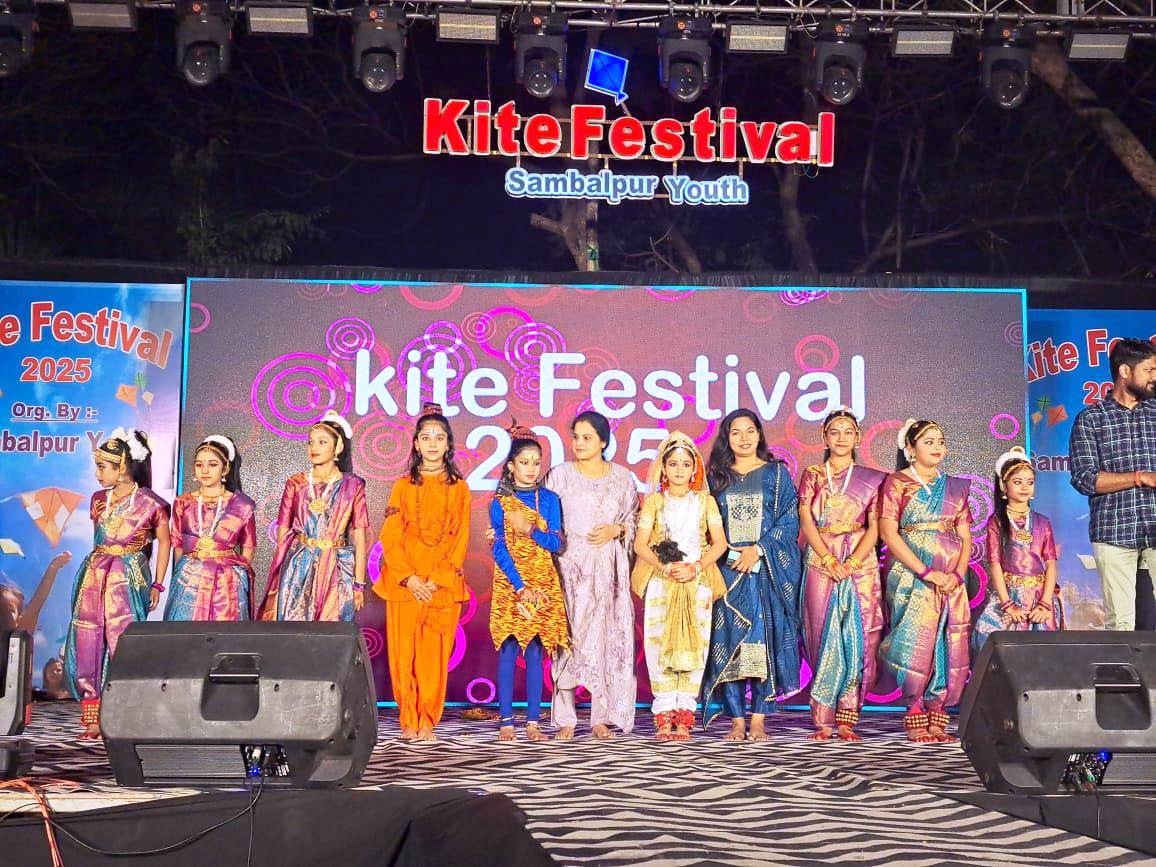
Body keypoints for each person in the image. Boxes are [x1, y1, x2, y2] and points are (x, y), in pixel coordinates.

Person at [700, 409, 803, 742]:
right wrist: (725, 553)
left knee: (761, 643)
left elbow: (789, 520)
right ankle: (736, 720)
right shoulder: (714, 478)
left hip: (765, 572)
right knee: (727, 642)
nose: (743, 438)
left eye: (749, 431)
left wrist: (757, 549)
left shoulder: (776, 474)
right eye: (735, 432)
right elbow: (703, 525)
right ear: (726, 438)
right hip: (726, 572)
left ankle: (758, 719)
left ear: (759, 434)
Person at [64, 428, 171, 738]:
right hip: (96, 573)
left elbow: (165, 543)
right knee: (87, 638)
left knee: (121, 639)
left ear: (122, 467)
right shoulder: (99, 499)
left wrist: (157, 584)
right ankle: (92, 715)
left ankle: (123, 713)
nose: (98, 474)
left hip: (128, 576)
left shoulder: (151, 503)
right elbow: (99, 539)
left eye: (103, 467)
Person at [376, 403, 471, 743]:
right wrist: (409, 577)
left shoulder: (459, 488)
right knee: (403, 654)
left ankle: (428, 719)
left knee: (433, 657)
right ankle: (408, 719)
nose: (432, 443)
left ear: (448, 445)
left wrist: (436, 580)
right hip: (405, 583)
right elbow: (390, 535)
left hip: (440, 584)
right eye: (426, 437)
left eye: (439, 437)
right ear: (416, 444)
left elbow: (460, 537)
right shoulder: (403, 485)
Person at [546, 411, 639, 740]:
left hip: (608, 575)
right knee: (567, 642)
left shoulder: (623, 478)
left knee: (606, 640)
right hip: (569, 571)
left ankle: (602, 717)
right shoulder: (559, 476)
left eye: (587, 438)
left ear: (603, 441)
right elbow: (545, 520)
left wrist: (618, 529)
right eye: (576, 437)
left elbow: (637, 521)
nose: (579, 443)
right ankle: (566, 718)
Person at [878, 419, 972, 744]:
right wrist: (925, 572)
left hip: (951, 579)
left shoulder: (955, 487)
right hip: (911, 575)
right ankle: (915, 707)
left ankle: (938, 710)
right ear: (910, 448)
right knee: (914, 640)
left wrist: (957, 575)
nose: (936, 447)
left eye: (940, 441)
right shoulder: (897, 483)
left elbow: (965, 536)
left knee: (946, 640)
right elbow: (889, 533)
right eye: (928, 441)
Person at [797, 408, 887, 742]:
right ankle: (822, 717)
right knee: (821, 631)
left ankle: (848, 715)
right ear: (824, 437)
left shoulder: (872, 479)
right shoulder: (813, 474)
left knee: (857, 635)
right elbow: (806, 519)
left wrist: (851, 563)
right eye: (834, 432)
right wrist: (827, 558)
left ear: (858, 438)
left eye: (848, 431)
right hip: (821, 556)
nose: (841, 438)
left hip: (858, 559)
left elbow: (875, 526)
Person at [631, 431, 727, 741]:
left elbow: (720, 543)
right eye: (673, 464)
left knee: (694, 647)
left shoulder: (706, 502)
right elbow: (640, 544)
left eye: (686, 464)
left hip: (697, 582)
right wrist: (665, 566)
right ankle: (663, 718)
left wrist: (696, 567)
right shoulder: (655, 502)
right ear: (663, 468)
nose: (679, 470)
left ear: (694, 468)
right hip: (663, 581)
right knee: (659, 647)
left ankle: (684, 718)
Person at [1069, 337, 1156, 631]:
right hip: (1114, 532)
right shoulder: (1091, 419)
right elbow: (1085, 478)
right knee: (1121, 623)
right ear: (1125, 372)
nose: (1154, 377)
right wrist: (1139, 477)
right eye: (1149, 370)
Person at [489, 422, 568, 743]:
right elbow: (499, 548)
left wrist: (530, 530)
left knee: (536, 649)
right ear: (511, 466)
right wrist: (519, 584)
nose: (531, 469)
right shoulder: (499, 503)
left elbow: (556, 543)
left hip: (542, 582)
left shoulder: (549, 499)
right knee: (509, 647)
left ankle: (533, 722)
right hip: (512, 583)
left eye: (536, 462)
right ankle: (506, 721)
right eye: (524, 462)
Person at [261, 410, 369, 621]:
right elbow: (283, 531)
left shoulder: (353, 485)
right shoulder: (296, 483)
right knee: (294, 627)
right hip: (299, 566)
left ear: (338, 447)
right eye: (310, 442)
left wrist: (359, 583)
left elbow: (359, 535)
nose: (314, 448)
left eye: (322, 442)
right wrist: (282, 572)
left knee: (332, 628)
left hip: (337, 567)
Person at [973, 447, 1063, 651]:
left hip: (1040, 597)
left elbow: (1050, 564)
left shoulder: (1042, 522)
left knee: (1043, 651)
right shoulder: (996, 522)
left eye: (1029, 482)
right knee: (994, 642)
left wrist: (1045, 603)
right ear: (1003, 486)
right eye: (1017, 482)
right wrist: (1007, 604)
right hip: (1009, 594)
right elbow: (995, 564)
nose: (1024, 487)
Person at [166, 435, 257, 621]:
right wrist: (181, 573)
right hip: (189, 577)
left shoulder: (242, 505)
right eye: (199, 465)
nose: (205, 470)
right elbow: (177, 544)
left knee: (224, 630)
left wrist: (236, 575)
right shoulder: (183, 502)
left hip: (226, 580)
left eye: (212, 464)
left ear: (226, 468)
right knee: (186, 629)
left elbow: (248, 546)